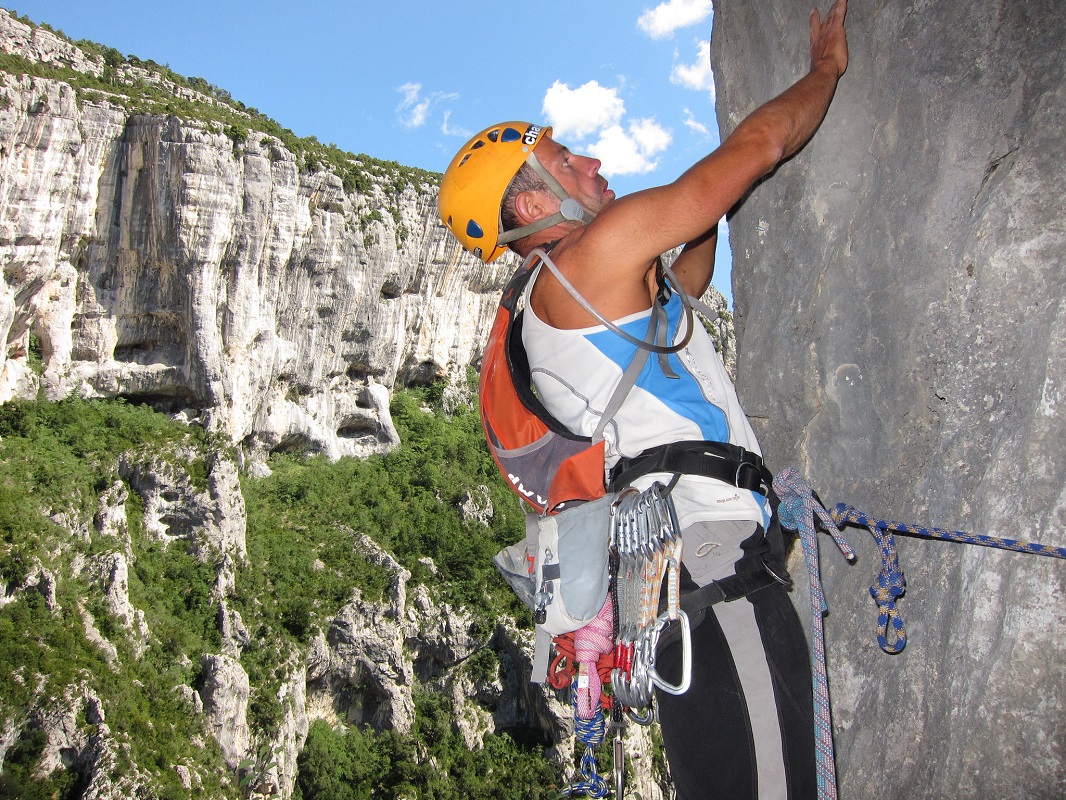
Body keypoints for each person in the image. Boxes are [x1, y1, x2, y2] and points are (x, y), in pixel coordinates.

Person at [438, 2, 848, 798]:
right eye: (563, 158)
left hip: (686, 587)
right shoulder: (592, 257)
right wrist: (825, 67)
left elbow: (685, 287)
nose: (590, 161)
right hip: (715, 566)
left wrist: (701, 210)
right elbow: (761, 147)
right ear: (531, 207)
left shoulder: (559, 303)